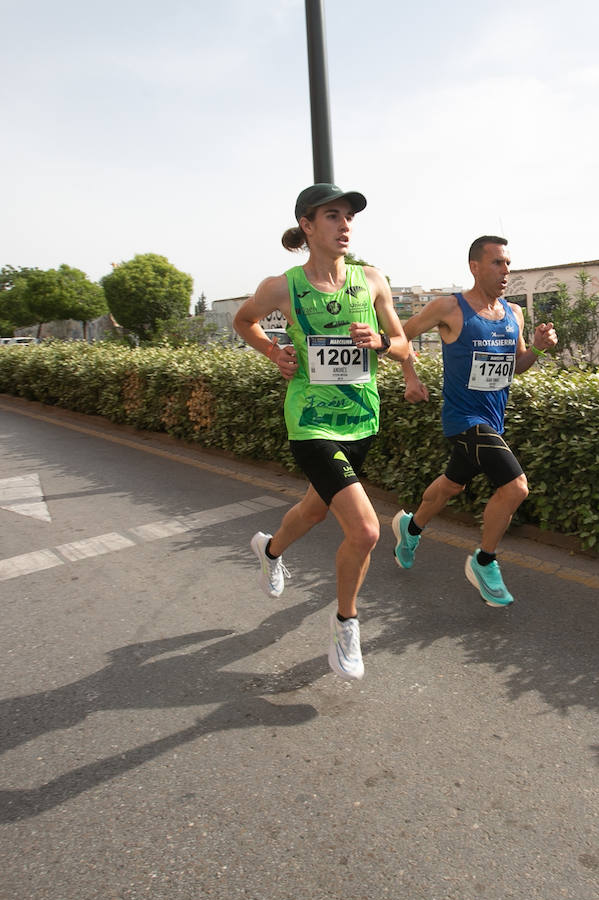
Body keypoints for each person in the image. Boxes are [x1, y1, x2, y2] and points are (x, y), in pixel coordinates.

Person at [233, 183, 408, 680]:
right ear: (308, 227)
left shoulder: (371, 280)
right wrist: (273, 352)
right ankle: (346, 626)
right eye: (332, 216)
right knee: (367, 529)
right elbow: (245, 322)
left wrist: (379, 340)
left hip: (361, 420)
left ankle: (269, 550)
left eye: (349, 216)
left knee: (313, 509)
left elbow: (402, 345)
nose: (345, 224)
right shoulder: (282, 286)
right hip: (310, 421)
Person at [392, 236, 556, 606]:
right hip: (463, 419)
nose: (506, 271)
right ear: (475, 267)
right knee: (516, 487)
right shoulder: (449, 308)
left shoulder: (514, 314)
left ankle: (410, 527)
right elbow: (399, 337)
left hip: (492, 421)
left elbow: (515, 367)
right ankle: (484, 561)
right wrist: (411, 378)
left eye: (508, 263)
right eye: (497, 262)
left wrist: (538, 350)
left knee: (452, 486)